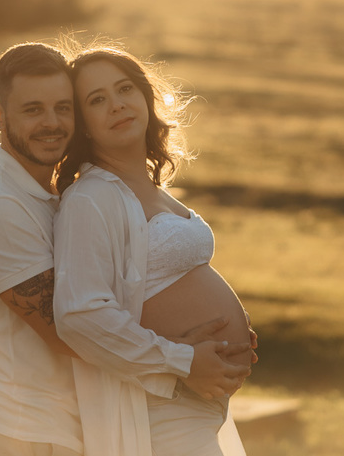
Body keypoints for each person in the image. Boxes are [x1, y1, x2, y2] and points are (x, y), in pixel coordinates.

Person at [54, 45, 254, 456]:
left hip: (200, 405)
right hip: (161, 409)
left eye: (124, 88)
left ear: (144, 96)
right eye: (97, 100)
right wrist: (182, 360)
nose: (117, 105)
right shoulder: (89, 199)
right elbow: (79, 316)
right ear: (84, 125)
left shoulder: (150, 188)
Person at [0, 42, 83, 456]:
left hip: (52, 433)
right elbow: (69, 331)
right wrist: (182, 354)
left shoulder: (52, 194)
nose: (52, 123)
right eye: (33, 110)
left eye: (63, 107)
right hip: (16, 435)